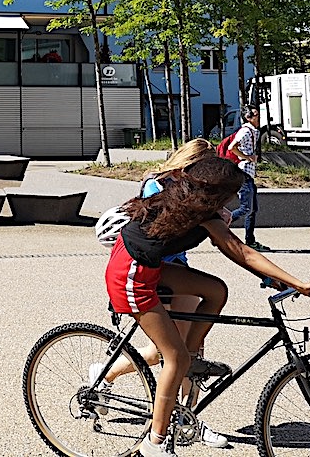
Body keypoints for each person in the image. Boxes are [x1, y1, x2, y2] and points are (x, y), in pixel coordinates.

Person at [103, 157, 310, 457]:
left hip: (144, 266)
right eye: (232, 195)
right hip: (130, 275)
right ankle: (154, 444)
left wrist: (270, 278)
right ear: (218, 194)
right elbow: (242, 251)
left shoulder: (193, 201)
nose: (234, 200)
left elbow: (240, 255)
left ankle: (190, 360)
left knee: (215, 291)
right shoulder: (200, 211)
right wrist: (297, 283)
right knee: (173, 357)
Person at [93, 139, 233, 449]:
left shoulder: (191, 190)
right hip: (155, 273)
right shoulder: (157, 188)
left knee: (192, 350)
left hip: (178, 268)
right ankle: (108, 377)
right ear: (192, 167)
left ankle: (187, 418)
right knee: (172, 353)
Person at [228, 107, 268, 251]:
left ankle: (250, 241)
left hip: (248, 174)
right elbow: (231, 147)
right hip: (244, 173)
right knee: (246, 208)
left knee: (252, 209)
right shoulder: (245, 131)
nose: (259, 117)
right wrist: (247, 157)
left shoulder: (253, 131)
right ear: (249, 117)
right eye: (256, 115)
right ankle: (221, 222)